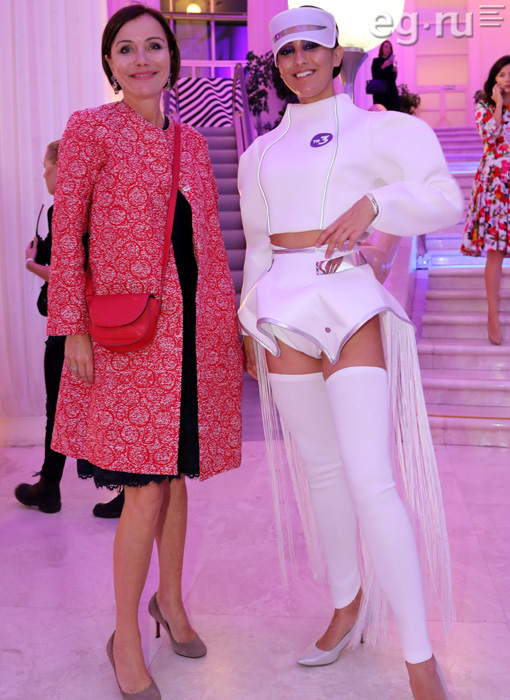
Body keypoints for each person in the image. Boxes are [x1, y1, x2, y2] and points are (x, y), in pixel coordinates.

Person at [239, 7, 463, 700]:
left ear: (337, 55)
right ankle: (346, 605)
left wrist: (375, 204)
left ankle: (419, 655)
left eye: (312, 48)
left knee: (371, 478)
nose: (299, 61)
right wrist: (248, 322)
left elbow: (446, 199)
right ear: (275, 65)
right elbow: (257, 246)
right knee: (321, 471)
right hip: (282, 308)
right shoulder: (258, 155)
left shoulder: (384, 129)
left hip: (348, 298)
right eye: (286, 52)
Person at [47, 5, 242, 698]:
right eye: (125, 49)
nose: (141, 60)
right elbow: (67, 231)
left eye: (153, 46)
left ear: (171, 59)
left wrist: (229, 329)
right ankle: (124, 638)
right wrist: (71, 326)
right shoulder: (90, 129)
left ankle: (171, 603)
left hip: (194, 335)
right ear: (109, 62)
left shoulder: (193, 142)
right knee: (144, 487)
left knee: (176, 476)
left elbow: (207, 244)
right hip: (130, 336)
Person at [15, 141, 124, 518]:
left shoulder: (67, 209)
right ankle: (121, 491)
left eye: (46, 167)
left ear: (61, 166)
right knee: (97, 407)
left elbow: (70, 276)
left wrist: (31, 264)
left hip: (72, 325)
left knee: (59, 408)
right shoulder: (96, 206)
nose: (44, 175)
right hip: (99, 322)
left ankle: (50, 487)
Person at [461, 55, 510, 345]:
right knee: (496, 252)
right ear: (494, 79)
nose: (507, 79)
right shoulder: (485, 107)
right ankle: (493, 315)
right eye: (502, 75)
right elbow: (489, 137)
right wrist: (499, 104)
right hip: (494, 185)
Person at [371, 39, 400, 111]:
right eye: (386, 47)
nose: (388, 49)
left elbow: (393, 79)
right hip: (380, 93)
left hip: (391, 92)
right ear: (382, 49)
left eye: (390, 48)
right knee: (381, 112)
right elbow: (375, 75)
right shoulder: (376, 61)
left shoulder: (391, 62)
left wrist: (395, 71)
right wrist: (383, 66)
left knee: (393, 112)